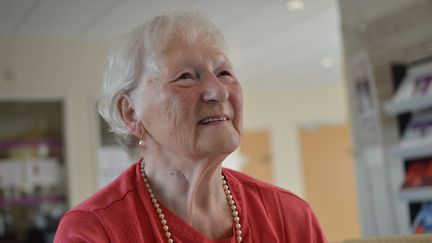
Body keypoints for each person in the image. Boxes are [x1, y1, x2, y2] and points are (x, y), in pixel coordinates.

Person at [54, 10, 327, 243]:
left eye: (224, 73)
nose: (218, 91)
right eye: (185, 77)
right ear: (130, 112)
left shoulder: (290, 217)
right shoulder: (93, 231)